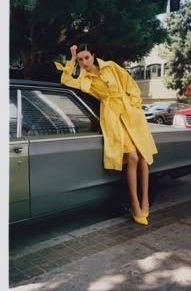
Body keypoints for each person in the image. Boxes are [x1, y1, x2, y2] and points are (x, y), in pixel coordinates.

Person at [55, 43, 158, 226]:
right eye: (80, 59)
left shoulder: (111, 66)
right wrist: (71, 60)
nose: (84, 62)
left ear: (93, 55)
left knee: (143, 156)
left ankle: (145, 201)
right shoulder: (84, 79)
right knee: (132, 157)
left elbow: (130, 84)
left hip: (131, 113)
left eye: (86, 57)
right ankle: (135, 204)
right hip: (112, 116)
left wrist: (134, 105)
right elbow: (66, 80)